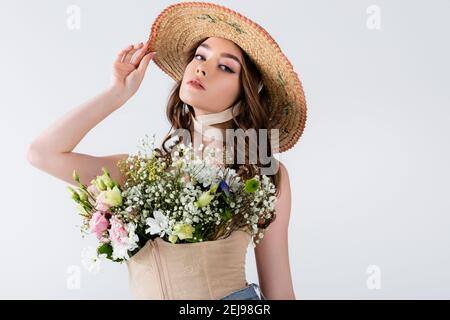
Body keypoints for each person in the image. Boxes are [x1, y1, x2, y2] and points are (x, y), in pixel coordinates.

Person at [26, 1, 307, 300]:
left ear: (246, 92)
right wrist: (116, 94)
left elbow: (279, 292)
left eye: (225, 67)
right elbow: (42, 153)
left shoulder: (263, 174)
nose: (201, 67)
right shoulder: (143, 171)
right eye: (200, 56)